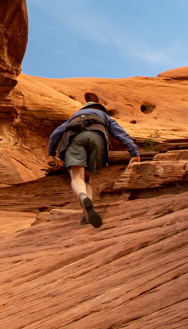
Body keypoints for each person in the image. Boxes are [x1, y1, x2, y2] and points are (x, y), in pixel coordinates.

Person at [48, 92, 141, 228]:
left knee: (76, 177)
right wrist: (134, 153)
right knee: (87, 179)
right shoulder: (105, 117)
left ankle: (82, 196)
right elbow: (122, 134)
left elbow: (56, 133)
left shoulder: (74, 117)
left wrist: (51, 153)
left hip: (75, 137)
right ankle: (86, 212)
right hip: (98, 138)